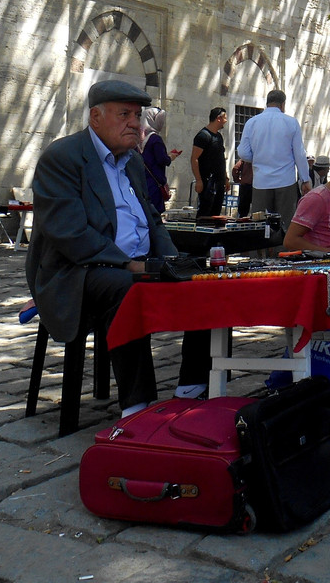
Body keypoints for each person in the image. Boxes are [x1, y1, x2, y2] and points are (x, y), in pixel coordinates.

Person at [26, 80, 209, 414]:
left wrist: (172, 262)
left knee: (202, 277)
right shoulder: (63, 158)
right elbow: (69, 233)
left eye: (137, 115)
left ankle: (192, 385)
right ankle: (137, 406)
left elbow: (154, 221)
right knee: (126, 289)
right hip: (78, 271)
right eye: (124, 114)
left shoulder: (133, 162)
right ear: (96, 117)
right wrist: (130, 265)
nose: (135, 123)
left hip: (137, 264)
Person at [237, 90, 311, 239]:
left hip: (261, 182)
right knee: (285, 224)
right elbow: (299, 154)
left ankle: (259, 259)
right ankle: (285, 256)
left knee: (261, 225)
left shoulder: (252, 122)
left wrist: (258, 158)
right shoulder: (291, 122)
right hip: (286, 181)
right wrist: (305, 179)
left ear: (267, 102)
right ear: (283, 104)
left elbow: (243, 153)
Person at [139, 107, 180, 213]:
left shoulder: (138, 139)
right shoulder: (155, 139)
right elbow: (162, 160)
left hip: (140, 182)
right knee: (154, 215)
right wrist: (171, 156)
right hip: (154, 183)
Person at [191, 107, 229, 217]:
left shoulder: (219, 137)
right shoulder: (203, 136)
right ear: (219, 118)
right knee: (205, 212)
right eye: (225, 118)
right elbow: (194, 158)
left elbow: (220, 158)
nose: (226, 121)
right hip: (208, 182)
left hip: (219, 182)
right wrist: (198, 180)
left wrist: (225, 178)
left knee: (216, 213)